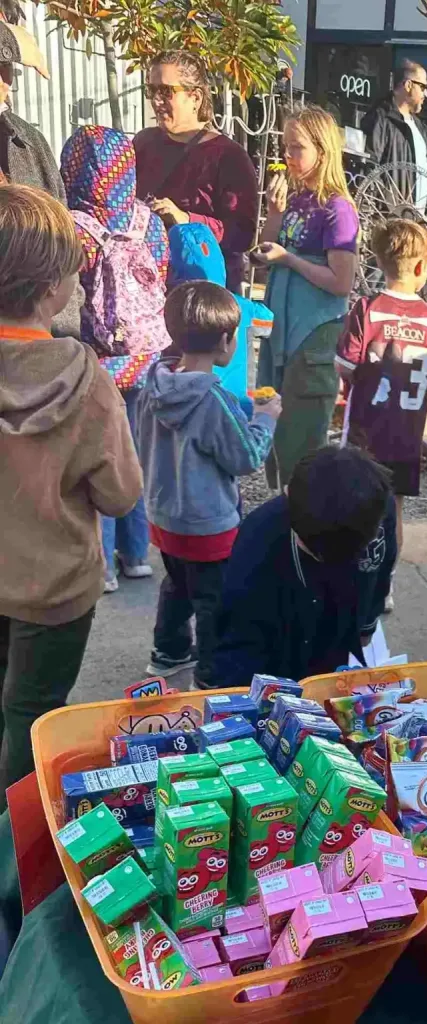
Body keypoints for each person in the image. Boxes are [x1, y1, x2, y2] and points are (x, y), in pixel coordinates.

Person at [0, 184, 142, 808]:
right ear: (52, 285)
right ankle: (17, 856)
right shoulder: (85, 378)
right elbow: (120, 496)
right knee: (33, 722)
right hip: (56, 593)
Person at [135, 280, 281, 688]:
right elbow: (247, 456)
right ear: (224, 341)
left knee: (178, 585)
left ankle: (168, 651)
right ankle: (212, 676)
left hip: (164, 515)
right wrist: (267, 417)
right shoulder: (213, 400)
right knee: (214, 602)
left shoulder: (154, 384)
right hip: (209, 524)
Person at [61, 124, 172, 593]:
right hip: (148, 357)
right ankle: (137, 554)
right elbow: (163, 276)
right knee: (136, 457)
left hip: (98, 360)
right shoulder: (149, 222)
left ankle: (102, 564)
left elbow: (67, 297)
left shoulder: (74, 229)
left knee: (97, 458)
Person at [335, 218, 427, 611]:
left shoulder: (366, 309)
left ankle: (355, 578)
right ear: (422, 267)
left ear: (379, 261)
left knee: (355, 503)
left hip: (366, 432)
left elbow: (344, 366)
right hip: (406, 435)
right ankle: (385, 585)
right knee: (393, 508)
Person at [213, 447, 397, 687]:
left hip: (344, 629)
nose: (326, 561)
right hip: (281, 653)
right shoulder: (258, 539)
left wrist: (366, 625)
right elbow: (239, 638)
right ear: (289, 497)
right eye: (315, 553)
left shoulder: (377, 506)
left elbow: (381, 569)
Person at [253, 105, 359, 487]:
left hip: (313, 335)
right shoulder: (297, 199)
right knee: (276, 424)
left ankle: (303, 524)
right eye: (285, 146)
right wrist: (275, 212)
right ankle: (281, 510)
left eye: (296, 147)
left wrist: (290, 260)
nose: (287, 155)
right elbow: (267, 252)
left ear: (323, 151)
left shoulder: (338, 210)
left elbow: (341, 282)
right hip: (281, 331)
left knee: (302, 435)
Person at [134, 50, 259, 290]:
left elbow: (242, 234)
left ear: (196, 98)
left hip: (202, 295)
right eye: (151, 90)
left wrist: (186, 220)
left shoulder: (228, 156)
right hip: (145, 288)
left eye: (166, 91)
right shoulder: (143, 143)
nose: (156, 101)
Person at [0, 14, 82, 337]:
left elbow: (63, 249)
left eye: (7, 65)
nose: (5, 78)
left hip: (38, 351)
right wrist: (14, 42)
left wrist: (67, 342)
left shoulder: (28, 143)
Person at [166, 221, 273, 407]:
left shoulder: (172, 310)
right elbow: (270, 323)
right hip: (239, 404)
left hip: (188, 403)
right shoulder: (241, 307)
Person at [362, 60, 427, 211]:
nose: (426, 94)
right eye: (423, 87)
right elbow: (370, 169)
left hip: (417, 222)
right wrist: (384, 213)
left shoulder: (420, 128)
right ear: (408, 85)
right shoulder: (381, 119)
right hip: (391, 222)